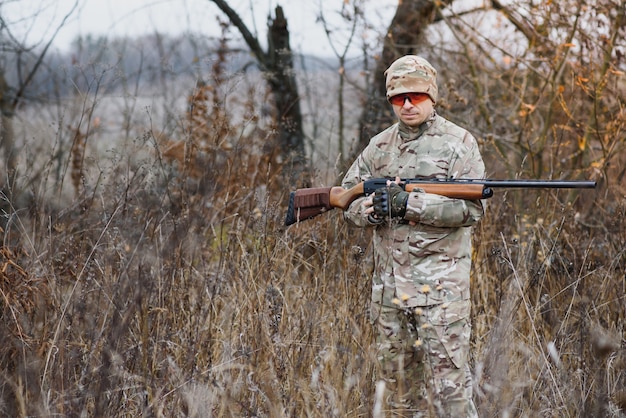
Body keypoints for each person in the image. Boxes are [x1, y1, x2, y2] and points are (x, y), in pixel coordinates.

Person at [341, 55, 485, 417]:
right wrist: (372, 209)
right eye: (398, 98)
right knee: (399, 394)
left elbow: (471, 211)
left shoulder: (459, 144)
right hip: (389, 295)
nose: (407, 104)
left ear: (432, 96)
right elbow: (346, 200)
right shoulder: (378, 147)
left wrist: (409, 204)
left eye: (416, 96)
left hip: (441, 294)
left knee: (451, 392)